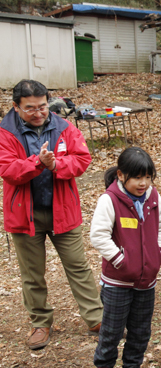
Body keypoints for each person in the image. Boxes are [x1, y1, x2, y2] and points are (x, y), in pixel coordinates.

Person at [0, 79, 103, 350]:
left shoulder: (64, 127)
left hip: (62, 210)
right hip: (25, 213)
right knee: (32, 273)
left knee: (78, 266)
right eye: (30, 108)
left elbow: (82, 160)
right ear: (16, 107)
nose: (38, 113)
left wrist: (57, 163)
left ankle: (95, 318)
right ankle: (40, 323)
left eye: (43, 106)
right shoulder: (5, 132)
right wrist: (37, 163)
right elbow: (8, 169)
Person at [90, 147, 161, 368]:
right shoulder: (110, 199)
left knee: (140, 329)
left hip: (146, 281)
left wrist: (159, 255)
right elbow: (98, 235)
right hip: (117, 282)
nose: (143, 183)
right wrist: (121, 261)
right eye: (137, 177)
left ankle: (133, 367)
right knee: (112, 329)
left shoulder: (153, 197)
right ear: (122, 175)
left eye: (148, 177)